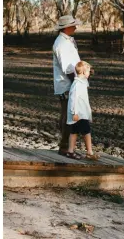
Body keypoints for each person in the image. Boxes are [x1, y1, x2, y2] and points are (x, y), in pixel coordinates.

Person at [53, 14, 81, 156]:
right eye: (73, 25)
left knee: (68, 114)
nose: (76, 27)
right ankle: (65, 147)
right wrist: (78, 81)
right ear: (67, 27)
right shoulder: (61, 44)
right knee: (68, 115)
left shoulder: (66, 41)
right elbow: (67, 67)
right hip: (67, 84)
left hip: (69, 82)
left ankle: (67, 146)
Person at [66, 61, 99, 160]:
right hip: (78, 114)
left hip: (82, 112)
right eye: (88, 71)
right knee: (86, 131)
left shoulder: (82, 82)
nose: (90, 73)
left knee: (74, 131)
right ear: (84, 72)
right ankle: (89, 152)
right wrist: (75, 113)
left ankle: (70, 151)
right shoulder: (77, 84)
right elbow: (73, 99)